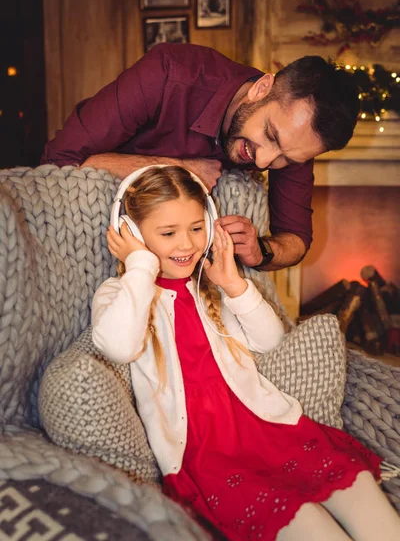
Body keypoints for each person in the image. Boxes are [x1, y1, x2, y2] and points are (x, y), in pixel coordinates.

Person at [91, 164, 400, 541]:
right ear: (132, 234)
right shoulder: (121, 295)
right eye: (168, 233)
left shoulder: (211, 289)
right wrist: (140, 264)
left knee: (370, 507)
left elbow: (269, 340)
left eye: (196, 227)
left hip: (267, 429)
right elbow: (118, 346)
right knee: (312, 526)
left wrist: (234, 285)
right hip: (207, 455)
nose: (186, 244)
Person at [41, 43, 360, 272]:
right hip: (92, 234)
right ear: (262, 88)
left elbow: (297, 240)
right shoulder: (169, 73)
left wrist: (260, 250)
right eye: (270, 136)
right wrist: (176, 170)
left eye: (285, 159)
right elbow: (56, 162)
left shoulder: (294, 138)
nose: (263, 163)